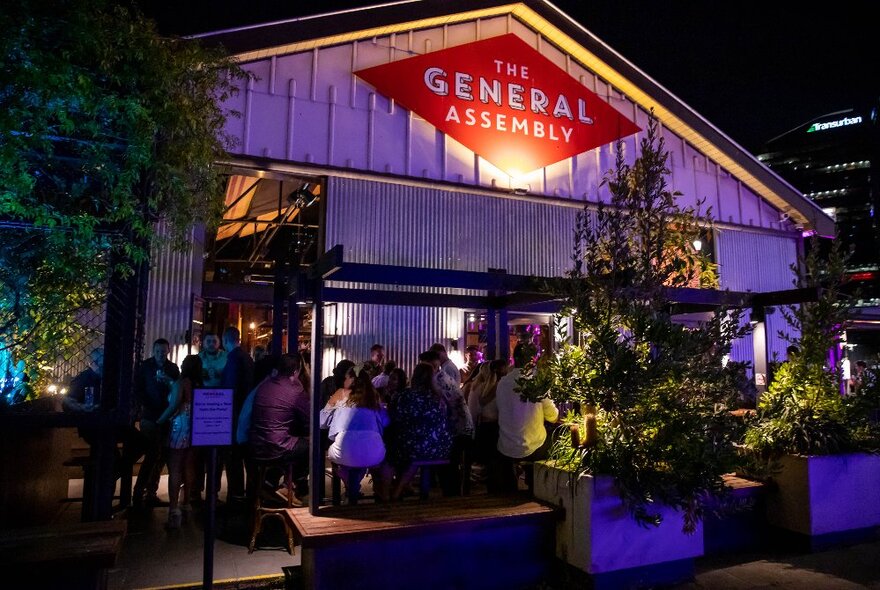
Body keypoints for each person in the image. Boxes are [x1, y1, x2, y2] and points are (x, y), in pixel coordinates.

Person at [383, 362, 454, 501]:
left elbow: (393, 418)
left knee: (391, 450)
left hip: (414, 446)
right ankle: (401, 488)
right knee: (411, 449)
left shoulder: (405, 395)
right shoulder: (439, 397)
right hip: (440, 446)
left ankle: (390, 490)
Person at [321, 364, 390, 503]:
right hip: (374, 453)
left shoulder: (340, 393)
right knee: (361, 453)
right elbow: (386, 421)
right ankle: (354, 488)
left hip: (344, 451)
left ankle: (350, 487)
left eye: (346, 377)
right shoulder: (373, 396)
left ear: (351, 379)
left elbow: (321, 421)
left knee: (345, 456)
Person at [248, 353, 311, 503]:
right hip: (276, 447)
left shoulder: (265, 385)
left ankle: (268, 485)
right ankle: (291, 486)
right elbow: (309, 418)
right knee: (308, 447)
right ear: (296, 371)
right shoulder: (295, 390)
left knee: (288, 446)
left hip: (256, 445)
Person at [495, 354, 559, 493]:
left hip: (506, 445)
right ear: (531, 362)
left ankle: (510, 488)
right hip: (533, 446)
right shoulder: (536, 383)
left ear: (513, 360)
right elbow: (552, 416)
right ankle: (537, 487)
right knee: (551, 441)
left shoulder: (502, 382)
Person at [133, 338, 180, 508]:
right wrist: (145, 405)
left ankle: (149, 491)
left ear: (168, 351)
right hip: (150, 416)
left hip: (166, 417)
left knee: (160, 456)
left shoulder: (173, 369)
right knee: (153, 454)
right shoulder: (145, 367)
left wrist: (168, 382)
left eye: (163, 351)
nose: (161, 354)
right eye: (158, 351)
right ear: (154, 351)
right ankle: (140, 492)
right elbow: (137, 389)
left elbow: (177, 390)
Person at [156, 354, 201, 529]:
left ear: (186, 366)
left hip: (179, 426)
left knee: (174, 468)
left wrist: (160, 421)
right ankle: (186, 503)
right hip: (194, 427)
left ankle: (173, 509)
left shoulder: (181, 383)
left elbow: (174, 405)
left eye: (183, 363)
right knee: (189, 466)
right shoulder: (199, 384)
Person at [421, 348, 473, 496]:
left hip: (457, 430)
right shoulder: (441, 376)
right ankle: (451, 496)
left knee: (447, 465)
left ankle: (452, 499)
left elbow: (441, 408)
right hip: (460, 428)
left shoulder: (438, 381)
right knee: (448, 466)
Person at [220, 326, 254, 502]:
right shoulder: (247, 357)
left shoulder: (233, 359)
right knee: (245, 456)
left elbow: (230, 390)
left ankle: (236, 494)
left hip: (235, 415)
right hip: (246, 413)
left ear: (225, 340)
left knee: (233, 457)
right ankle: (248, 493)